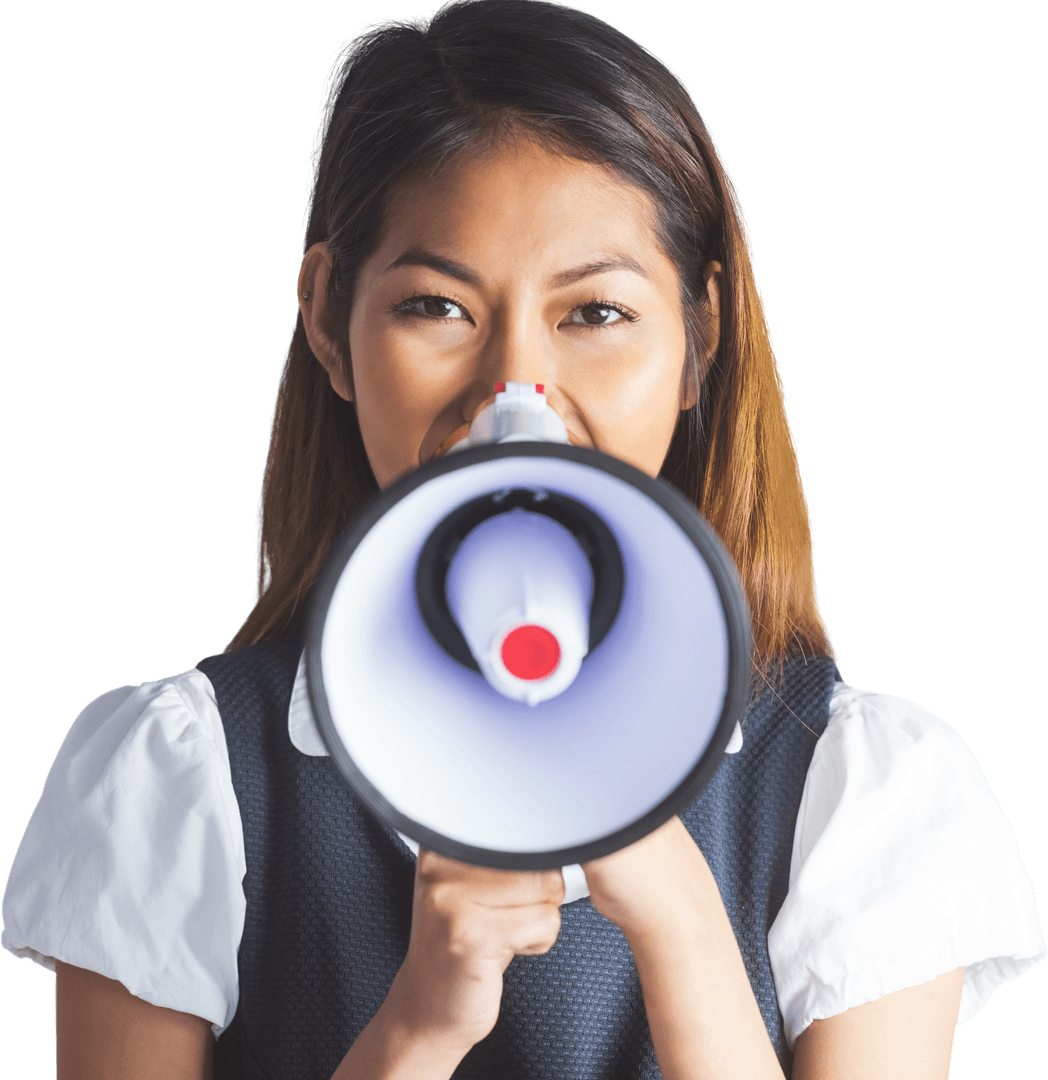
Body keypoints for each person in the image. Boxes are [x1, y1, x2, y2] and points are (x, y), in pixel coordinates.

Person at [2, 2, 1044, 1078]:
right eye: (435, 306)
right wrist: (418, 1029)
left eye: (594, 313)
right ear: (326, 319)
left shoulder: (856, 786)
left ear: (701, 336)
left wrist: (685, 931)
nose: (516, 391)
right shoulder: (184, 775)